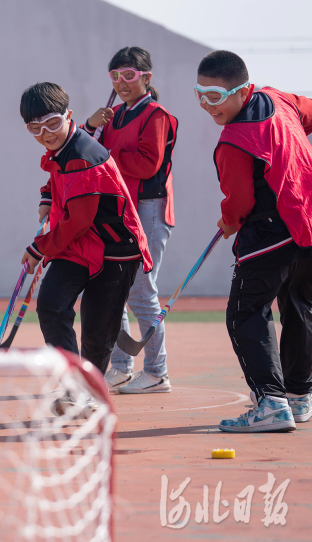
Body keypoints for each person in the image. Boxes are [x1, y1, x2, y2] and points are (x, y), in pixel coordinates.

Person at [195, 50, 312, 433]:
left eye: (215, 95)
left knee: (245, 312)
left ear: (242, 91)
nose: (207, 104)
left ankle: (271, 403)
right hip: (307, 226)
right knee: (299, 305)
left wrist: (229, 221)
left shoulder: (232, 141)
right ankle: (298, 397)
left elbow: (240, 202)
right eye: (200, 94)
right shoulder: (281, 100)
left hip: (270, 235)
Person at [19, 82, 152, 411]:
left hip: (115, 249)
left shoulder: (82, 154)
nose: (46, 134)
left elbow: (79, 219)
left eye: (52, 123)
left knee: (97, 329)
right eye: (35, 128)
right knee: (51, 305)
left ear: (69, 116)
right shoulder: (63, 148)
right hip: (80, 245)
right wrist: (48, 196)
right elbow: (56, 175)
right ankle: (75, 385)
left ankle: (89, 392)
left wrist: (39, 248)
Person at [82, 47, 178, 395]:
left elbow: (146, 164)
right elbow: (80, 148)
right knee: (114, 290)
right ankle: (121, 367)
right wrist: (91, 125)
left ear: (146, 78)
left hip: (149, 209)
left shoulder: (156, 115)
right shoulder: (113, 116)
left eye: (129, 75)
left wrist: (107, 157)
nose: (121, 82)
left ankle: (156, 372)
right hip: (120, 211)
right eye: (115, 76)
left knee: (140, 292)